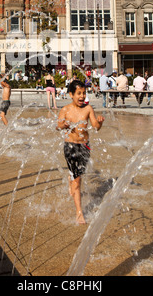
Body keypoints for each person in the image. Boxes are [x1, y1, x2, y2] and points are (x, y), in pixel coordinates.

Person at [57, 80, 105, 224]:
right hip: (70, 146)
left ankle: (71, 177)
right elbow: (58, 125)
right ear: (71, 94)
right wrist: (63, 125)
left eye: (84, 93)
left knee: (79, 175)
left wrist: (100, 122)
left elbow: (95, 127)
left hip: (85, 146)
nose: (82, 96)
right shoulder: (65, 110)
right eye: (79, 93)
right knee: (77, 181)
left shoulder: (88, 109)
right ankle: (79, 212)